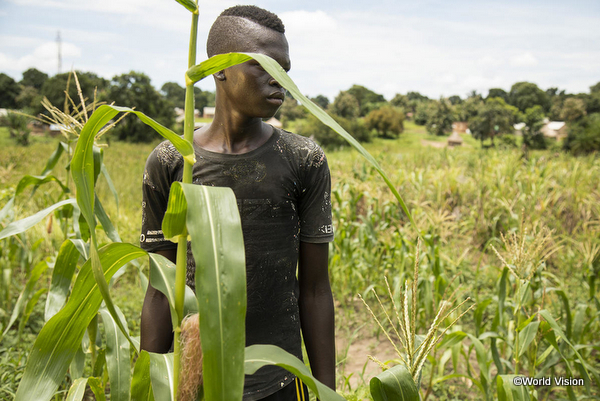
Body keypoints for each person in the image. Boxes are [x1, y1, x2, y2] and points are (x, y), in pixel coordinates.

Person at [139, 5, 336, 400]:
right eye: (264, 65)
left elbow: (315, 290)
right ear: (219, 68)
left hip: (281, 380)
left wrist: (326, 392)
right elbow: (160, 292)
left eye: (285, 69)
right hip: (193, 381)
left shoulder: (304, 159)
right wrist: (154, 386)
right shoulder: (171, 161)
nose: (279, 80)